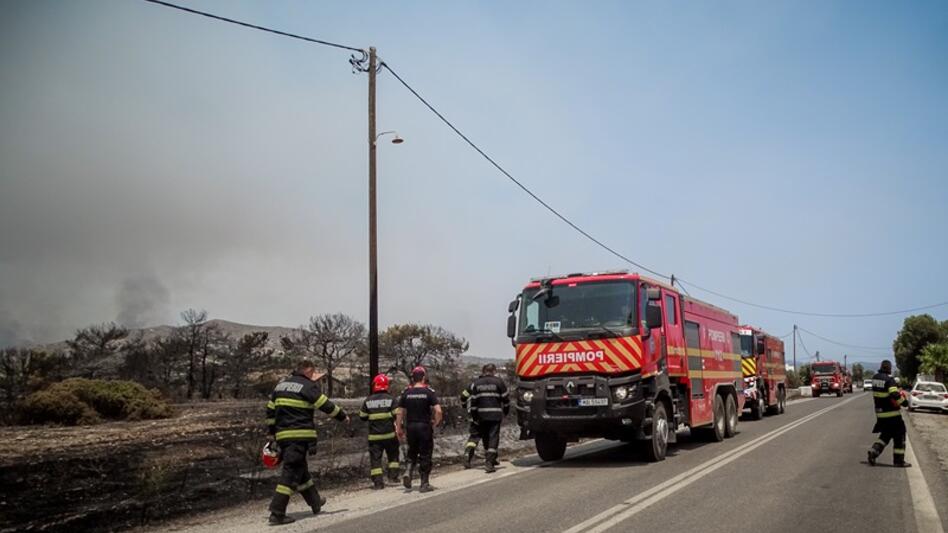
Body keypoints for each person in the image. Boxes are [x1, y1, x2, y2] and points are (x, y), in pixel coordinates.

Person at [265, 360, 350, 525]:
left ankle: (315, 501)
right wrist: (342, 416)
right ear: (308, 370)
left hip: (283, 436)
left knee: (300, 470)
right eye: (313, 373)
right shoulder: (307, 386)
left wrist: (272, 433)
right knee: (290, 472)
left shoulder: (280, 386)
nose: (314, 377)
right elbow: (325, 405)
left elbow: (270, 411)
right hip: (300, 436)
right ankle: (277, 512)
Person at [395, 366, 442, 492]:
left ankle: (408, 470)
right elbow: (438, 411)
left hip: (411, 427)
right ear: (423, 377)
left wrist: (398, 428)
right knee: (425, 454)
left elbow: (399, 412)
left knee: (412, 451)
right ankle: (424, 483)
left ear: (412, 378)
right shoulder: (429, 392)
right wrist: (435, 423)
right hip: (424, 427)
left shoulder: (406, 392)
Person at [358, 374, 401, 489]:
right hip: (390, 436)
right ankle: (393, 477)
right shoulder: (391, 399)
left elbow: (362, 416)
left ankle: (378, 483)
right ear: (386, 386)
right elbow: (397, 415)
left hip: (374, 437)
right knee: (393, 456)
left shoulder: (368, 400)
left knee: (376, 460)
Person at [466, 363, 510, 472]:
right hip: (495, 416)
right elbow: (506, 400)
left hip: (481, 416)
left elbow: (474, 402)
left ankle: (490, 459)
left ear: (483, 371)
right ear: (494, 371)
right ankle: (489, 463)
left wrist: (475, 416)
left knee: (486, 437)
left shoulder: (477, 383)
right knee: (493, 438)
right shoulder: (499, 382)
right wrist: (505, 412)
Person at [867, 360, 911, 468]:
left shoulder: (875, 378)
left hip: (880, 414)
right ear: (889, 368)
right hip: (892, 414)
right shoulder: (889, 380)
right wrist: (904, 403)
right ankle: (898, 461)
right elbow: (894, 394)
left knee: (886, 435)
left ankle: (874, 451)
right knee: (900, 434)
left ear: (881, 367)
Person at [460, 384, 480, 469]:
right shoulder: (490, 383)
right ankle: (491, 459)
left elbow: (463, 395)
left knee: (474, 437)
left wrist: (464, 405)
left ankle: (467, 453)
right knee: (490, 436)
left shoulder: (472, 385)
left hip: (472, 413)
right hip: (485, 414)